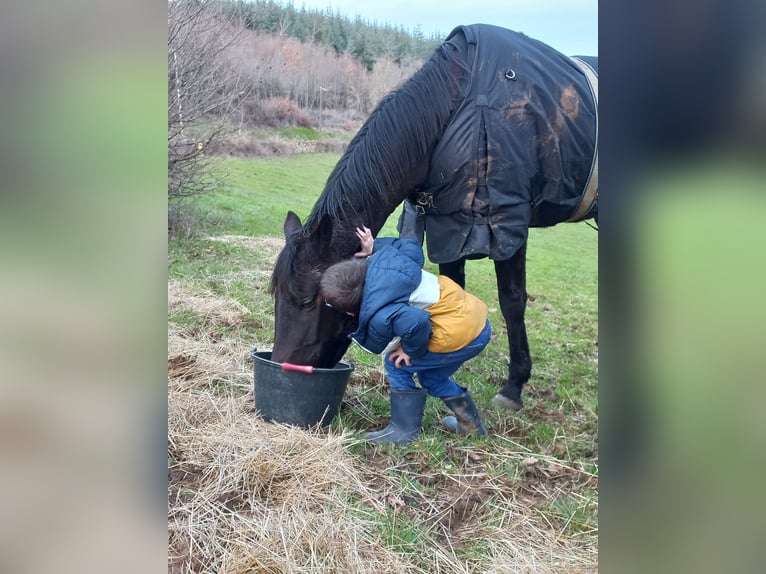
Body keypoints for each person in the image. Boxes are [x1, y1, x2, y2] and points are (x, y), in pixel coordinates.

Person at [319, 225, 491, 444]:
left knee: (396, 364)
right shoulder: (386, 264)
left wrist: (408, 350)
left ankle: (403, 431)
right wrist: (375, 247)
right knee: (432, 378)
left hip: (458, 331)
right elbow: (409, 246)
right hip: (475, 320)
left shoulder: (383, 313)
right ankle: (471, 425)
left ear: (352, 311)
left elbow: (416, 323)